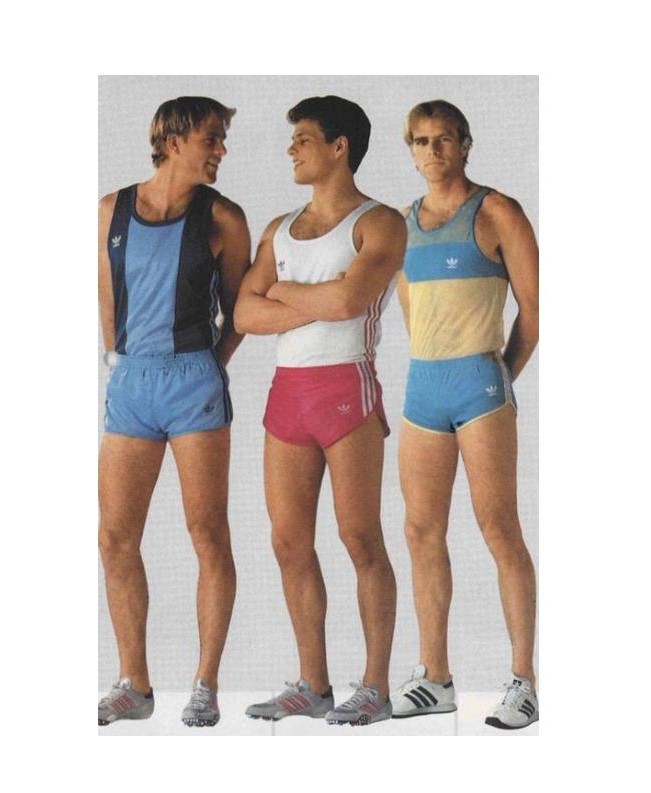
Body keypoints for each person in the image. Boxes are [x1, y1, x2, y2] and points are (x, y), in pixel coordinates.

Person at [234, 96, 406, 727]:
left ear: (340, 147)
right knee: (287, 542)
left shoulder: (379, 222)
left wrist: (279, 290)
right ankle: (313, 684)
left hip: (346, 390)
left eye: (303, 139)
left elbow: (351, 302)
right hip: (288, 394)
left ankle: (375, 687)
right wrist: (312, 298)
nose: (291, 150)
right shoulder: (278, 228)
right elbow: (244, 314)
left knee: (360, 538)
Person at [98, 96, 250, 727]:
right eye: (212, 138)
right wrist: (117, 361)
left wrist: (208, 365)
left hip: (193, 383)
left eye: (222, 139)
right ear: (175, 138)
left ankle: (205, 684)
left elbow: (240, 311)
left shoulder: (224, 219)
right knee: (114, 537)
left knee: (207, 533)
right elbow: (108, 300)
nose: (221, 150)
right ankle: (134, 684)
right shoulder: (111, 209)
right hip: (132, 381)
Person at [391, 100, 539, 729]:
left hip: (480, 385)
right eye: (421, 141)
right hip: (423, 387)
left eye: (444, 139)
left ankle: (524, 682)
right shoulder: (401, 225)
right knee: (420, 531)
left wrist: (496, 376)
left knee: (498, 528)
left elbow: (536, 312)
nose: (433, 151)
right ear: (411, 149)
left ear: (466, 144)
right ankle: (436, 677)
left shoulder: (498, 211)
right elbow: (412, 312)